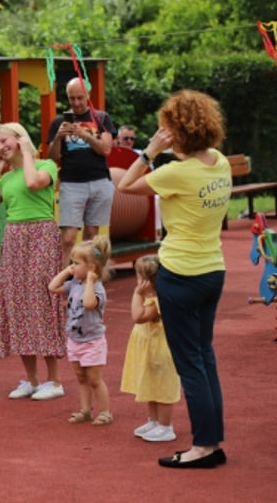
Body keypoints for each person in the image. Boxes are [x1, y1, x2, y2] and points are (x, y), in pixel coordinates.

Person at [117, 89, 230, 469]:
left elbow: (125, 186)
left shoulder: (175, 172)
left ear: (178, 131)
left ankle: (202, 446)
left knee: (191, 365)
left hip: (181, 274)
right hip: (212, 269)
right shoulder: (220, 163)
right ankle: (212, 442)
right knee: (205, 358)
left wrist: (149, 152)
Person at [0, 122, 66, 401]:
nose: (2, 147)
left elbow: (32, 182)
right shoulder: (5, 179)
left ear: (20, 139)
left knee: (42, 300)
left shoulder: (47, 166)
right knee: (18, 304)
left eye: (6, 141)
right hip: (14, 239)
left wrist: (27, 152)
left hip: (41, 234)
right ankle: (32, 379)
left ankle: (55, 380)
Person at [46, 77, 117, 263]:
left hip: (99, 180)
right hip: (71, 182)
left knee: (92, 235)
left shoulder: (101, 118)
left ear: (88, 95)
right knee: (68, 237)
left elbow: (105, 149)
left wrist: (85, 135)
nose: (76, 103)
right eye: (72, 98)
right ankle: (61, 280)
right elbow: (52, 158)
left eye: (80, 98)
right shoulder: (59, 122)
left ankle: (87, 278)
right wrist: (59, 138)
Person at [48, 235, 113, 426]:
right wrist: (67, 270)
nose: (73, 266)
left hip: (92, 341)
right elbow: (53, 287)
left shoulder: (97, 289)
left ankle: (105, 411)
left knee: (94, 379)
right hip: (75, 339)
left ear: (91, 268)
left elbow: (88, 303)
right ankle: (85, 409)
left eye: (76, 263)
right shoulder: (74, 284)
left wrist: (91, 282)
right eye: (72, 263)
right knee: (80, 377)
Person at [120, 255, 180, 442]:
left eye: (139, 277)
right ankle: (154, 421)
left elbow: (138, 316)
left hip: (159, 351)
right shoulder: (151, 298)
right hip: (149, 349)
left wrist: (137, 294)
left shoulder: (155, 303)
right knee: (151, 385)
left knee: (162, 388)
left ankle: (165, 425)